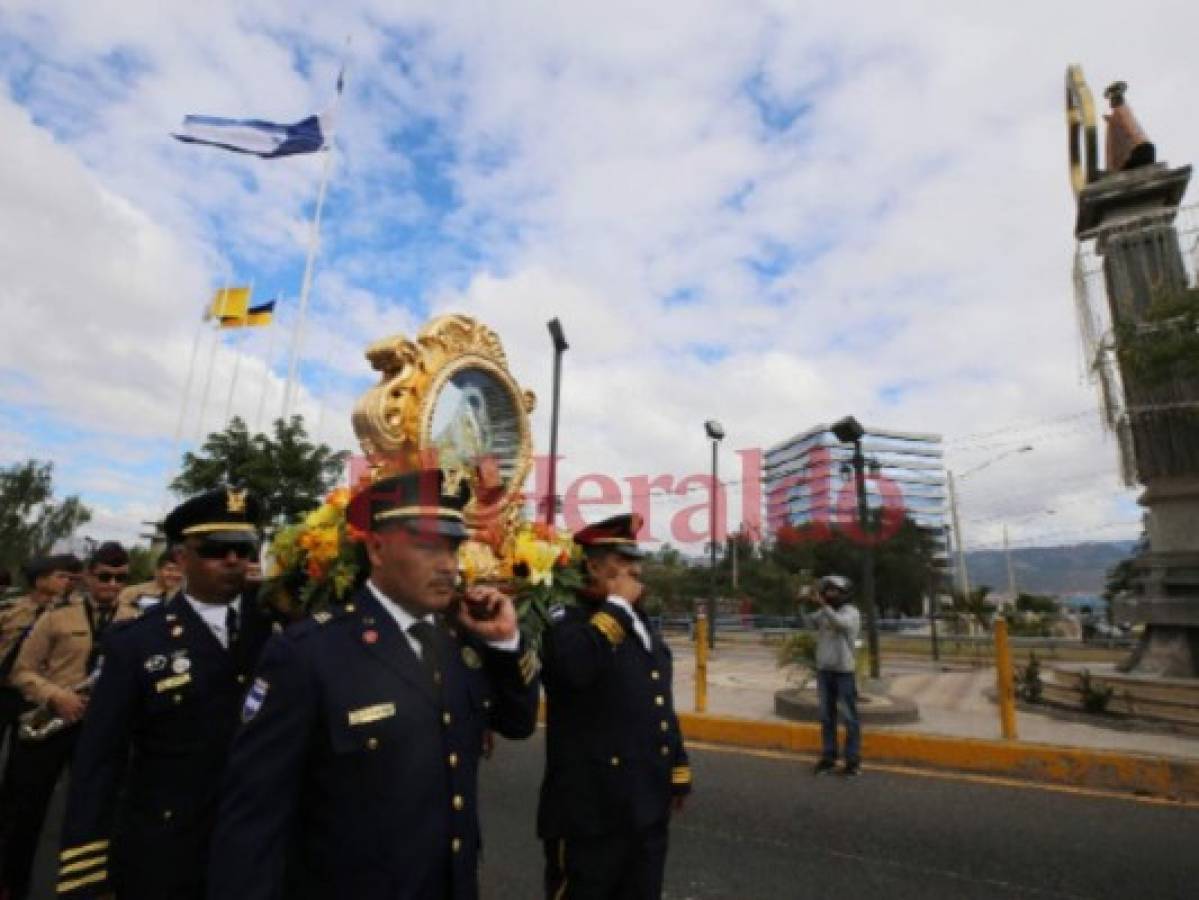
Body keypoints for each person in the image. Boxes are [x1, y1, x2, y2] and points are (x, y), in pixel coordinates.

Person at [207, 469, 541, 900]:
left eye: (454, 546)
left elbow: (517, 723)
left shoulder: (458, 641)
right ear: (377, 548)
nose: (448, 565)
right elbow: (253, 818)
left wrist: (505, 643)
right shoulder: (309, 653)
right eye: (427, 545)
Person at [55, 488, 278, 899]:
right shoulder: (136, 643)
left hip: (256, 852)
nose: (233, 560)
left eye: (244, 549)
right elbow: (99, 763)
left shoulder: (277, 633)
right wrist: (86, 872)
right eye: (215, 549)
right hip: (165, 853)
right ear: (180, 558)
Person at [538, 513, 692, 900]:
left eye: (634, 560)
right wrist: (618, 608)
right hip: (591, 814)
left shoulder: (639, 622)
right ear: (593, 565)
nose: (634, 570)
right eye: (622, 562)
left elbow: (657, 698)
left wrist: (677, 766)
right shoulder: (566, 618)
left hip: (646, 808)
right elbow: (574, 669)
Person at [0, 543, 138, 899]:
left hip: (102, 729)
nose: (111, 584)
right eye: (104, 576)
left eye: (120, 578)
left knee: (96, 812)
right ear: (89, 576)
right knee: (25, 811)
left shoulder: (136, 621)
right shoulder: (56, 616)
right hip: (53, 722)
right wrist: (54, 696)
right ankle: (11, 884)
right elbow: (22, 670)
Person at [0, 559, 73, 758]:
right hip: (3, 686)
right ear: (40, 581)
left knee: (25, 752)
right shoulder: (11, 609)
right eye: (60, 577)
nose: (67, 581)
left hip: (33, 692)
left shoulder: (65, 616)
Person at [806, 574, 862, 776]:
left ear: (844, 593)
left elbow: (840, 624)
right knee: (826, 717)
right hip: (825, 671)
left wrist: (823, 606)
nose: (828, 594)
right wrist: (801, 604)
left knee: (849, 717)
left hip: (844, 672)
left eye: (833, 591)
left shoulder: (852, 612)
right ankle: (829, 757)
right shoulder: (823, 612)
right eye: (826, 590)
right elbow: (807, 623)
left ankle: (853, 761)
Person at [117, 549, 183, 611]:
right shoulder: (131, 593)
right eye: (170, 569)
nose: (175, 574)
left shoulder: (186, 598)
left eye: (180, 570)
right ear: (157, 570)